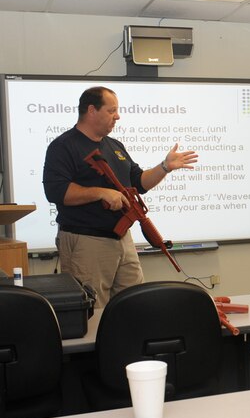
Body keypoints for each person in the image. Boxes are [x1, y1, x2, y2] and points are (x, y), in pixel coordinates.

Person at [43, 86, 198, 308]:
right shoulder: (63, 146)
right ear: (91, 110)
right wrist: (100, 193)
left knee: (135, 306)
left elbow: (138, 182)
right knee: (92, 312)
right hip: (87, 242)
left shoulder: (114, 146)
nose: (118, 116)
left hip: (123, 240)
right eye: (111, 110)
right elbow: (56, 191)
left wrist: (165, 167)